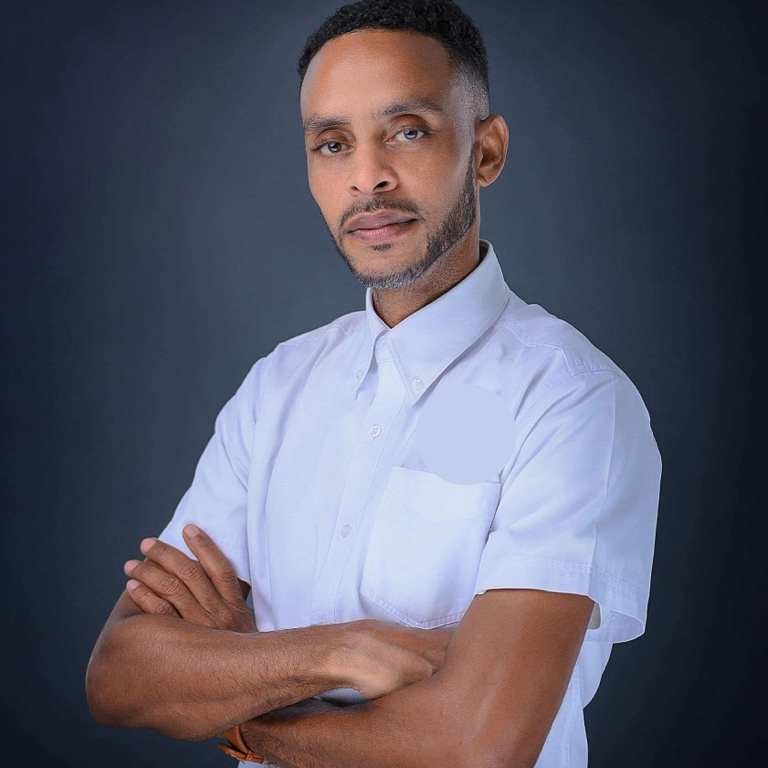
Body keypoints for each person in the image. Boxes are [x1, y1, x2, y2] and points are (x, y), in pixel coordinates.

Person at [86, 1, 662, 766]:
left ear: (486, 152)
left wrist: (236, 703)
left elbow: (477, 747)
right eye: (332, 144)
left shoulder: (571, 402)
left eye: (408, 131)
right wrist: (339, 651)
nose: (367, 177)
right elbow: (118, 676)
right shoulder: (277, 389)